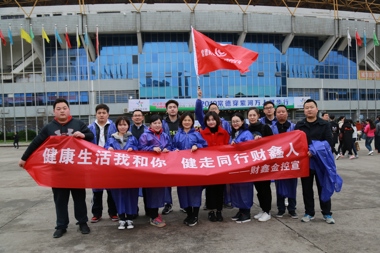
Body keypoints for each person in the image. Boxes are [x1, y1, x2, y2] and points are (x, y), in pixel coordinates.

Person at [18, 98, 94, 238]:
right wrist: (24, 158)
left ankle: (82, 223)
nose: (62, 110)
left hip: (75, 171)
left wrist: (83, 135)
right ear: (54, 111)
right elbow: (36, 143)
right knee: (60, 200)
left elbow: (91, 136)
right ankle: (61, 226)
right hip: (57, 172)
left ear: (69, 109)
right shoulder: (49, 127)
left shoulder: (78, 124)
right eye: (58, 108)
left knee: (79, 198)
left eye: (64, 108)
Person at [295, 99, 335, 224]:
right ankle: (309, 212)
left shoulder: (324, 124)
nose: (309, 109)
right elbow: (295, 142)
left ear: (317, 109)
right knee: (306, 188)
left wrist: (314, 150)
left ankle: (327, 213)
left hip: (321, 162)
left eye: (311, 107)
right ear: (304, 110)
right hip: (306, 162)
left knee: (323, 187)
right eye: (306, 108)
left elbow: (329, 142)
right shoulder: (299, 125)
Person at [172, 112, 208, 226]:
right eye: (184, 120)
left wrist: (197, 146)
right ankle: (189, 213)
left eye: (189, 120)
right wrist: (175, 149)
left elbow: (205, 145)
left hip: (194, 168)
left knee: (195, 191)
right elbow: (172, 146)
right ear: (181, 122)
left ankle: (195, 215)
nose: (187, 122)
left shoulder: (197, 134)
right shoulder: (177, 135)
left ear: (192, 122)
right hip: (181, 169)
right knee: (183, 191)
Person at [105, 116, 139, 230]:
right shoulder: (111, 139)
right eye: (120, 125)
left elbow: (139, 151)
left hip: (130, 173)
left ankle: (130, 217)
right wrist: (108, 149)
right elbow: (105, 150)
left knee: (131, 194)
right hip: (116, 173)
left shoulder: (132, 138)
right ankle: (121, 218)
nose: (123, 127)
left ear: (128, 126)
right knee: (118, 194)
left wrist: (133, 149)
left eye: (125, 125)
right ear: (116, 126)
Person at [139, 114, 172, 228]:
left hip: (162, 167)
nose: (157, 125)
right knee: (151, 191)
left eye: (159, 123)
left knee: (159, 191)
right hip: (150, 168)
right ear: (150, 124)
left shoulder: (165, 136)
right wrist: (151, 149)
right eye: (155, 123)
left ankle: (154, 213)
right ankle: (153, 216)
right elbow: (140, 149)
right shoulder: (145, 135)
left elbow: (170, 146)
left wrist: (168, 149)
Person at [88, 104, 118, 223]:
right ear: (96, 114)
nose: (101, 115)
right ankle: (97, 213)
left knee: (111, 189)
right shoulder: (89, 127)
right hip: (96, 162)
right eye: (99, 113)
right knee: (97, 189)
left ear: (108, 114)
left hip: (110, 161)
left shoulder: (114, 127)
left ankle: (113, 213)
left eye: (104, 113)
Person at [200, 111, 230, 222]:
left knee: (220, 189)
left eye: (213, 120)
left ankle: (219, 210)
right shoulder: (202, 133)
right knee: (210, 190)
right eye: (209, 120)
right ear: (206, 122)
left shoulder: (224, 133)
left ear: (217, 120)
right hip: (208, 165)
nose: (211, 122)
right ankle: (211, 211)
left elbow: (228, 148)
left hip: (221, 166)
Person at [270, 105, 298, 219]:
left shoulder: (294, 127)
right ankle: (281, 209)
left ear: (287, 113)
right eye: (278, 112)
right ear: (275, 114)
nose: (281, 114)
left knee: (292, 185)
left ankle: (292, 209)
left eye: (283, 111)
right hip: (278, 161)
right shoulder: (271, 128)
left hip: (291, 161)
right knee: (279, 186)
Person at [246, 107, 273, 222]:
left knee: (265, 188)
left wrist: (261, 140)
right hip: (252, 163)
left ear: (258, 116)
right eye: (250, 115)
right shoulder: (246, 129)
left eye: (254, 115)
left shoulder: (265, 127)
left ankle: (268, 211)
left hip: (263, 162)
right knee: (258, 188)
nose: (252, 117)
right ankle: (262, 209)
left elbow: (272, 142)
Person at [229, 112, 255, 223]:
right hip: (235, 166)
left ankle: (247, 212)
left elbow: (249, 147)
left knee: (245, 189)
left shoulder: (247, 133)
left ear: (242, 122)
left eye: (237, 121)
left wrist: (237, 144)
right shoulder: (234, 134)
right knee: (236, 189)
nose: (235, 123)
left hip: (244, 165)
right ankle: (241, 210)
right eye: (233, 122)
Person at [161, 99, 180, 215]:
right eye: (170, 107)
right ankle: (168, 203)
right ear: (167, 110)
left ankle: (184, 204)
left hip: (181, 153)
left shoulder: (184, 121)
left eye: (174, 107)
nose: (172, 109)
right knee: (166, 180)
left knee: (182, 179)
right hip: (166, 154)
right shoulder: (162, 123)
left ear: (177, 109)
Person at [130, 109, 148, 218]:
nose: (137, 117)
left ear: (142, 118)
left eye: (139, 115)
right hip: (131, 163)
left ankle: (148, 210)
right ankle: (133, 211)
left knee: (147, 188)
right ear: (132, 118)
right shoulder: (127, 130)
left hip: (145, 162)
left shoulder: (148, 130)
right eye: (135, 115)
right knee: (133, 187)